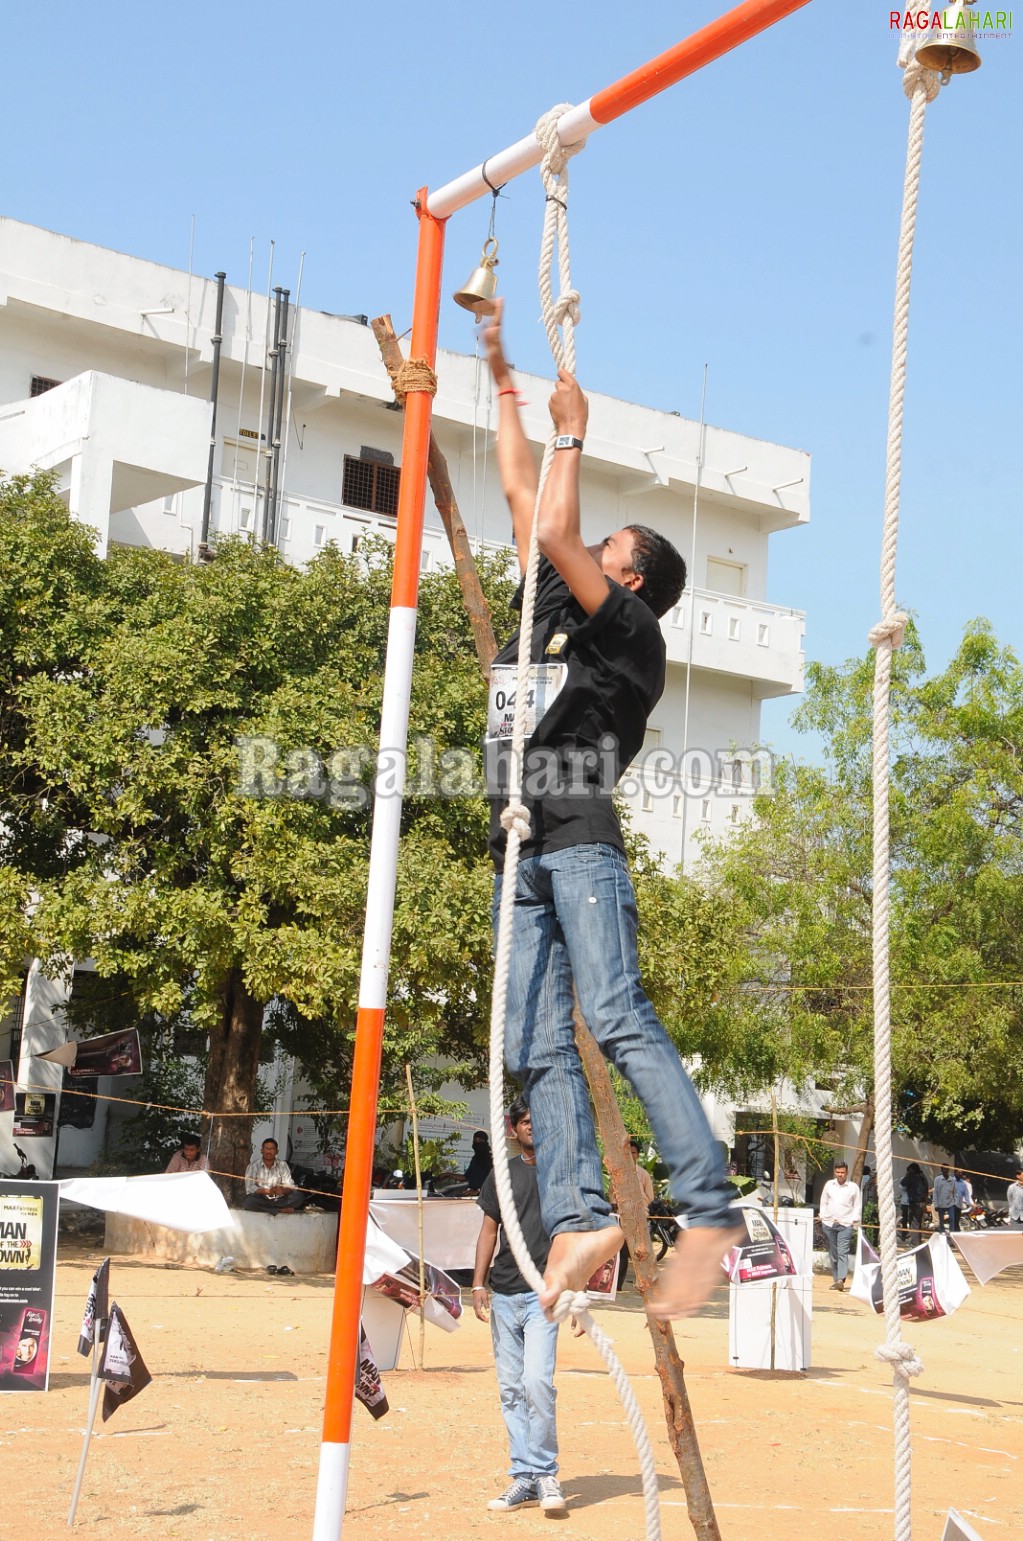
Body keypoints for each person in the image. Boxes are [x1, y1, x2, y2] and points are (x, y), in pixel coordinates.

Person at [482, 302, 740, 1320]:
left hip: (579, 837)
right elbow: (521, 493)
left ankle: (711, 1204)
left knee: (618, 1017)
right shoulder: (553, 605)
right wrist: (503, 378)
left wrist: (574, 426)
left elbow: (550, 515)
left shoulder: (630, 633)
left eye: (606, 543)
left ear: (627, 578)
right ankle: (583, 1213)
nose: (582, 542)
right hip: (524, 839)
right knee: (531, 1045)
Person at [472, 1096, 567, 1516]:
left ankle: (545, 1472)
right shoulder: (502, 1176)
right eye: (524, 1121)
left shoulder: (561, 1176)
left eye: (537, 1120)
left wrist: (578, 1292)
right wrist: (477, 1283)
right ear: (513, 1129)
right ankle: (523, 1476)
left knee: (536, 1383)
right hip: (505, 1292)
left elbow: (578, 1232)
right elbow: (488, 1231)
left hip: (544, 1293)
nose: (531, 1126)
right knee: (511, 1389)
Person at [819, 1161, 861, 1292]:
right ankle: (836, 1279)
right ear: (835, 1172)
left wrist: (853, 1219)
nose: (840, 1174)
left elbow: (857, 1205)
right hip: (829, 1223)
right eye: (838, 1172)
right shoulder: (829, 1185)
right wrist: (824, 1217)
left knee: (843, 1252)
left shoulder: (853, 1187)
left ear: (847, 1172)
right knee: (833, 1253)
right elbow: (824, 1202)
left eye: (842, 1172)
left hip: (846, 1224)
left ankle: (840, 1279)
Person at [243, 1138, 307, 1214]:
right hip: (262, 1198)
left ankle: (270, 1209)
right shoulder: (253, 1166)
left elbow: (290, 1185)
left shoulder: (282, 1165)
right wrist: (269, 1191)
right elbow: (250, 1188)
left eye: (272, 1149)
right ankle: (280, 1210)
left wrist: (282, 1190)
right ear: (262, 1151)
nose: (269, 1151)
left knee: (299, 1197)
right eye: (267, 1148)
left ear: (277, 1151)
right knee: (248, 1201)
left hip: (279, 1198)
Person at [903, 1162, 929, 1242]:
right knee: (918, 1222)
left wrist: (907, 1175)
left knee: (913, 1222)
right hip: (921, 1202)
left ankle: (915, 1242)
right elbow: (926, 1190)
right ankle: (918, 1240)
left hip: (914, 1202)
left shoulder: (911, 1176)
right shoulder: (923, 1177)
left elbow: (903, 1183)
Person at [932, 1165, 958, 1233]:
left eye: (946, 1169)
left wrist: (955, 1202)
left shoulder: (952, 1180)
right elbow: (935, 1192)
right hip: (941, 1203)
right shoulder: (937, 1179)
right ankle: (941, 1233)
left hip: (950, 1203)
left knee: (952, 1219)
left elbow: (955, 1192)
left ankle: (952, 1234)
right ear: (941, 1170)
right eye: (944, 1169)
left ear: (948, 1170)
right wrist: (936, 1204)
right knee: (941, 1220)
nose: (945, 1171)